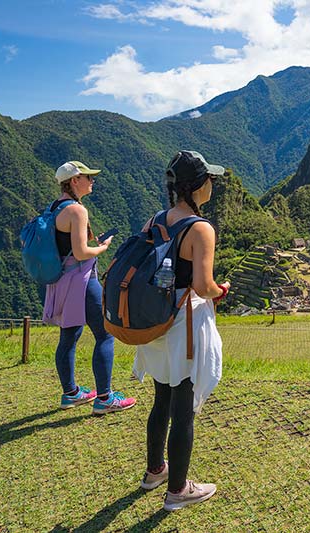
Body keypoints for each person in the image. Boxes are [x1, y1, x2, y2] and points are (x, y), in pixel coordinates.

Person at [132, 151, 230, 512]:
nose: (213, 185)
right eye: (210, 180)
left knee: (161, 398)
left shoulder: (155, 220)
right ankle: (177, 491)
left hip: (154, 322)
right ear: (197, 186)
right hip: (183, 326)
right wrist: (222, 289)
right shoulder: (200, 228)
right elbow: (203, 286)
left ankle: (155, 470)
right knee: (184, 408)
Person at [43, 161, 136, 415]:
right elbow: (82, 253)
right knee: (105, 334)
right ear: (75, 181)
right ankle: (105, 398)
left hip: (60, 280)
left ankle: (71, 393)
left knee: (69, 336)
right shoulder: (77, 210)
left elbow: (69, 245)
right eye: (88, 177)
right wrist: (103, 247)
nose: (92, 181)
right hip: (81, 280)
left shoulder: (55, 208)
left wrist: (91, 242)